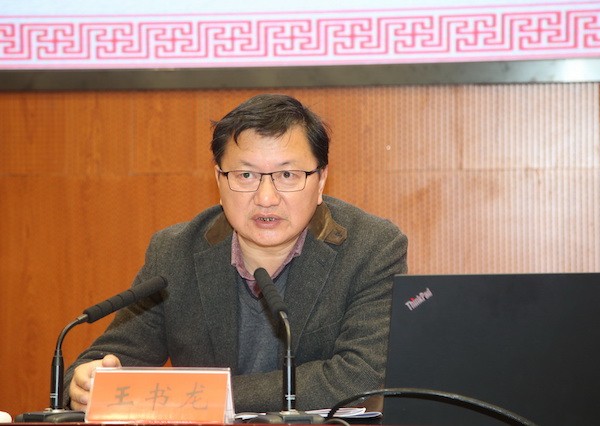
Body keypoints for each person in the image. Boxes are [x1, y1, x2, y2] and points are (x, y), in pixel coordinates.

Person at [64, 93, 408, 414]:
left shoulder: (371, 248)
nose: (266, 198)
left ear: (320, 181)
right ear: (219, 180)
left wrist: (212, 396)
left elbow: (359, 376)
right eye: (245, 175)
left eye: (287, 174)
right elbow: (106, 361)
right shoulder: (175, 252)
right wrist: (85, 383)